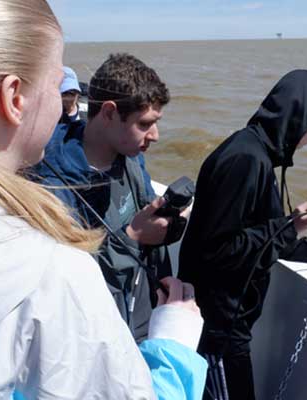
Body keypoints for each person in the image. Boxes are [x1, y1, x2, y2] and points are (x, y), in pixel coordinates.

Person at [0, 1, 205, 398]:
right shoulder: (54, 264)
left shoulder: (129, 163)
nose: (65, 105)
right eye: (56, 83)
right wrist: (175, 346)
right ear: (14, 98)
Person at [178, 70, 307, 400]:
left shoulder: (256, 154)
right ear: (299, 117)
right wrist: (293, 225)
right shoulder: (245, 159)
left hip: (228, 326)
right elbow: (217, 251)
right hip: (218, 329)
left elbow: (269, 239)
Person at [32, 53, 180, 341]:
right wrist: (133, 236)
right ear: (110, 113)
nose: (155, 135)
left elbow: (143, 205)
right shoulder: (52, 186)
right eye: (145, 124)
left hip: (133, 314)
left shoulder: (130, 157)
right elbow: (65, 283)